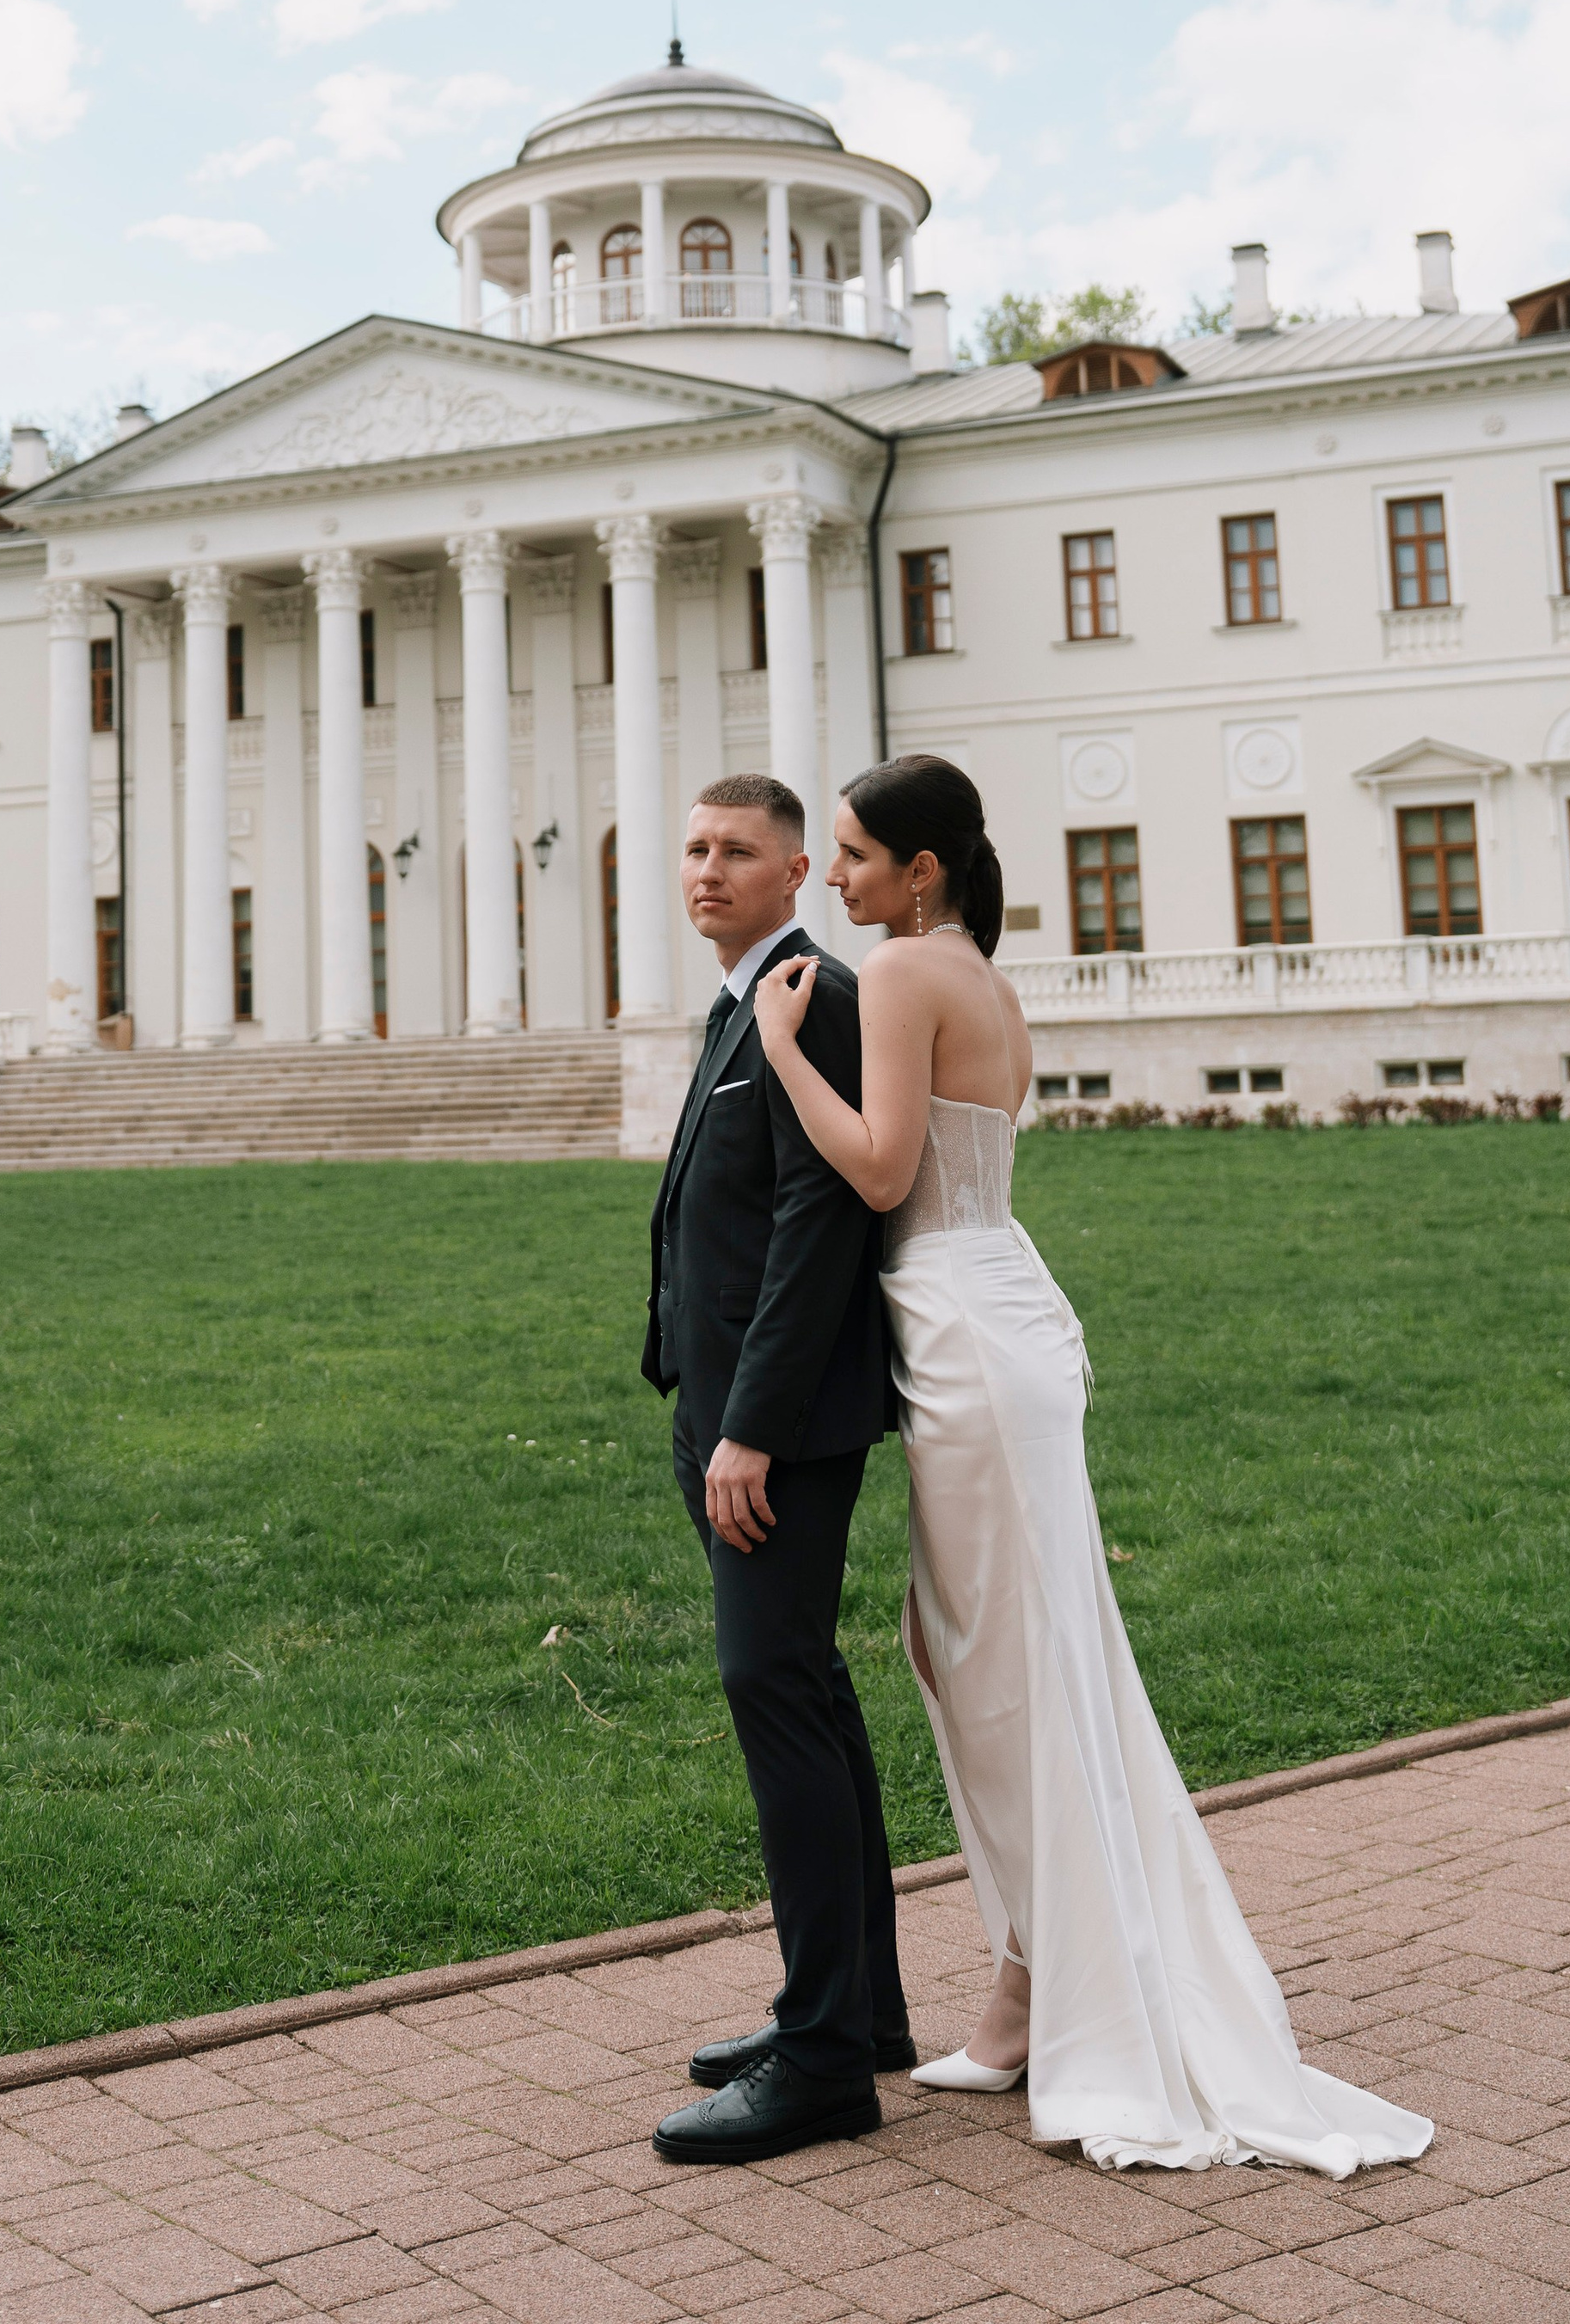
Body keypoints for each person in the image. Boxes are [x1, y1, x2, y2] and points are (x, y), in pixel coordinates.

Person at [751, 753, 1435, 2178]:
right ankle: (1024, 1981)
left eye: (858, 856)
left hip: (964, 1332)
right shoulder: (989, 978)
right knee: (985, 1658)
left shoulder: (905, 977)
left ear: (918, 872)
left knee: (1001, 1670)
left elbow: (882, 1173)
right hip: (1002, 1312)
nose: (835, 876)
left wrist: (775, 1050)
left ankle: (1059, 1995)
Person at [643, 775, 916, 2167]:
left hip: (783, 1426)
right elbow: (712, 1200)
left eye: (736, 850)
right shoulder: (743, 999)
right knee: (807, 1684)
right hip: (729, 1409)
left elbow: (821, 1226)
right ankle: (856, 2016)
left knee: (772, 1691)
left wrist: (744, 1424)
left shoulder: (822, 996)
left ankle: (821, 2065)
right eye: (693, 847)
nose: (705, 869)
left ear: (797, 869)